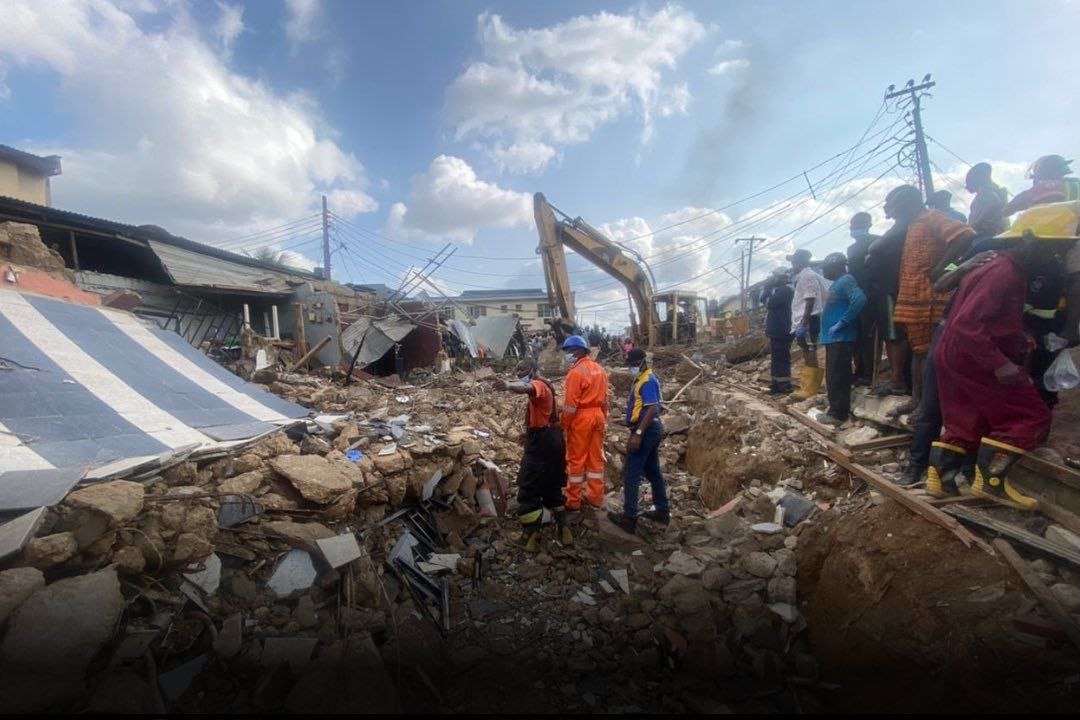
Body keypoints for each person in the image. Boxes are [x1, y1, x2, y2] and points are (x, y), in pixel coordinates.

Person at [929, 205, 1078, 508]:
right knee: (1029, 415)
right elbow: (969, 323)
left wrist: (1017, 336)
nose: (1055, 257)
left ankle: (940, 478)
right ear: (1031, 240)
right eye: (1054, 249)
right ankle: (991, 483)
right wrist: (1000, 363)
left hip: (956, 351)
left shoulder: (996, 264)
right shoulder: (1005, 272)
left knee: (964, 418)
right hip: (976, 353)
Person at [885, 185, 976, 418]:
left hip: (930, 299)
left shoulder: (932, 217)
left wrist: (942, 267)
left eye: (896, 206)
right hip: (913, 299)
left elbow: (965, 234)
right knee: (919, 353)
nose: (894, 212)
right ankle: (917, 399)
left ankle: (929, 406)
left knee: (929, 355)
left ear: (909, 202)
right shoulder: (913, 224)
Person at [496, 358, 572, 551]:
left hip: (543, 443)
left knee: (528, 486)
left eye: (522, 369)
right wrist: (528, 433)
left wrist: (507, 385)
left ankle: (529, 536)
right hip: (553, 439)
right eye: (517, 369)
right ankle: (565, 529)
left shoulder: (538, 384)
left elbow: (527, 389)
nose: (519, 373)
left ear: (533, 369)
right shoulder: (547, 385)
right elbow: (542, 414)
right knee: (552, 486)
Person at [607, 349, 670, 534]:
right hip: (650, 429)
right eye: (630, 365)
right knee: (653, 471)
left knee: (631, 474)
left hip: (647, 431)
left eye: (633, 365)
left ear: (643, 362)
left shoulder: (648, 380)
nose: (631, 368)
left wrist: (639, 433)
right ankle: (662, 511)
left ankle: (629, 518)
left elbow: (651, 409)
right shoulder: (643, 378)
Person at [560, 334, 609, 510]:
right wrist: (604, 417)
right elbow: (605, 399)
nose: (568, 355)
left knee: (576, 459)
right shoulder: (599, 369)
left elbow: (570, 406)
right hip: (598, 416)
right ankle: (596, 497)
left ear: (580, 351)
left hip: (582, 418)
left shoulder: (576, 373)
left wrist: (563, 425)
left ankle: (573, 501)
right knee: (596, 458)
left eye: (570, 351)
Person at [817, 253, 868, 425]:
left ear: (837, 266)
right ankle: (836, 409)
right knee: (833, 374)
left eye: (826, 268)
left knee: (837, 375)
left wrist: (843, 322)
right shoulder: (837, 284)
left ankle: (838, 414)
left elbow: (859, 299)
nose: (824, 271)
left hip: (841, 337)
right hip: (834, 338)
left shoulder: (846, 280)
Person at [789, 248, 830, 399]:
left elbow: (810, 298)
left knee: (809, 351)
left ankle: (810, 389)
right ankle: (808, 387)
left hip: (807, 319)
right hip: (805, 319)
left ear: (800, 261)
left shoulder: (807, 275)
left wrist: (804, 321)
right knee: (807, 350)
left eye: (794, 261)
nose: (792, 264)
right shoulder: (803, 276)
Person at [847, 212, 880, 385]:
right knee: (856, 335)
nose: (853, 228)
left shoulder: (877, 241)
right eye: (852, 224)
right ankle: (858, 370)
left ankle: (869, 373)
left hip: (871, 296)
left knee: (868, 335)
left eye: (856, 224)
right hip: (854, 297)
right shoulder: (851, 249)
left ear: (868, 224)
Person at [760, 268, 794, 394]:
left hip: (782, 330)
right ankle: (776, 384)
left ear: (781, 278)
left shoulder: (785, 291)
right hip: (777, 330)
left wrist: (767, 289)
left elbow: (768, 303)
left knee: (781, 358)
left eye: (774, 277)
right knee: (776, 359)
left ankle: (784, 386)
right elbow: (766, 301)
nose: (772, 279)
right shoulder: (780, 291)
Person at [965, 162, 1009, 237]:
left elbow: (993, 202)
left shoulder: (986, 191)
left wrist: (975, 225)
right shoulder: (995, 190)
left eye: (969, 181)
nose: (967, 186)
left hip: (985, 234)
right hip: (994, 233)